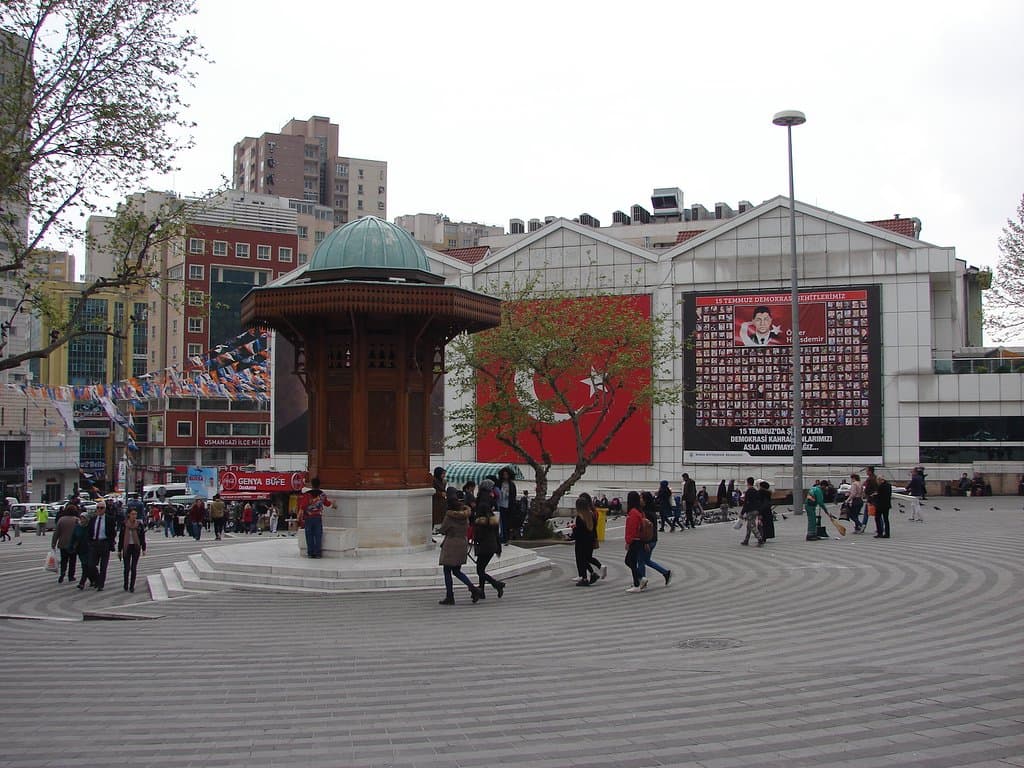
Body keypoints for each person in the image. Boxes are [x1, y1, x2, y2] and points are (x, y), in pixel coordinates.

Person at [438, 488, 482, 605]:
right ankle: (473, 588)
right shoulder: (465, 513)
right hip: (462, 542)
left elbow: (443, 529)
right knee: (457, 570)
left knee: (447, 570)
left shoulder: (450, 515)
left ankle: (450, 596)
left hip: (451, 544)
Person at [470, 479, 505, 598]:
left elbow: (484, 523)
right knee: (481, 568)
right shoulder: (488, 502)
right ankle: (482, 591)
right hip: (489, 541)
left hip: (485, 541)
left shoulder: (482, 503)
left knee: (480, 569)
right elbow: (493, 525)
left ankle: (496, 584)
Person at [638, 491, 671, 585]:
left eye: (641, 497)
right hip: (653, 540)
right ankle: (665, 572)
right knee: (646, 560)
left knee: (640, 560)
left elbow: (647, 530)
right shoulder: (650, 510)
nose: (639, 499)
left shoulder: (646, 513)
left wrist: (646, 542)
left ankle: (641, 580)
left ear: (645, 500)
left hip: (648, 540)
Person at [83, 500, 114, 590]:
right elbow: (89, 531)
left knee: (103, 567)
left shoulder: (109, 519)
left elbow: (112, 533)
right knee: (91, 565)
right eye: (98, 508)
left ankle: (101, 584)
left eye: (101, 508)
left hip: (104, 543)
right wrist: (89, 542)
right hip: (94, 544)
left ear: (105, 509)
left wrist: (110, 543)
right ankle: (97, 579)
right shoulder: (93, 519)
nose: (99, 510)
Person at [298, 478, 332, 559]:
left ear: (312, 485)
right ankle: (318, 553)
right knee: (318, 535)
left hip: (308, 518)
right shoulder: (322, 494)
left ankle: (310, 553)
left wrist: (299, 516)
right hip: (317, 517)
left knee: (309, 535)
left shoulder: (307, 494)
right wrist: (333, 504)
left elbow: (303, 506)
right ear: (319, 485)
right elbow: (327, 503)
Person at [570, 495, 599, 585]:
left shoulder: (580, 517)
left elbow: (579, 532)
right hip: (589, 541)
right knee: (585, 559)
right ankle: (592, 574)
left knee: (580, 560)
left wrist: (572, 532)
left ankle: (584, 578)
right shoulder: (591, 515)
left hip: (581, 542)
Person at [623, 491, 649, 593]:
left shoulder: (633, 513)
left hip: (634, 540)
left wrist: (628, 541)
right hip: (639, 540)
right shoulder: (640, 511)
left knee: (630, 561)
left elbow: (631, 529)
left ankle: (638, 582)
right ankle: (640, 579)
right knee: (631, 561)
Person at [117, 505, 146, 592]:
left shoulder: (139, 524)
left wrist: (144, 548)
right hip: (127, 547)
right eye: (133, 514)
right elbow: (121, 538)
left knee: (133, 567)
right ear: (128, 515)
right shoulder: (124, 524)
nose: (134, 516)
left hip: (136, 547)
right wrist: (119, 550)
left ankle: (132, 585)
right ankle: (126, 583)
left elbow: (142, 537)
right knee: (127, 567)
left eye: (135, 514)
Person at [496, 467, 517, 544]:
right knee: (501, 522)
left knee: (507, 522)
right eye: (504, 474)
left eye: (506, 474)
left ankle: (506, 537)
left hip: (508, 505)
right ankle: (501, 537)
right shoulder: (499, 483)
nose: (505, 476)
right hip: (500, 505)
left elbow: (513, 496)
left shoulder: (511, 484)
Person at [740, 478, 762, 546]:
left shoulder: (748, 492)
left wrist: (742, 513)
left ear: (748, 483)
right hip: (756, 510)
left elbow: (746, 503)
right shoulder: (756, 491)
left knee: (752, 526)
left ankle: (759, 538)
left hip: (750, 511)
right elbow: (759, 502)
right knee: (749, 526)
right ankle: (746, 540)